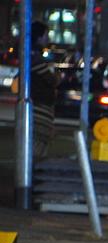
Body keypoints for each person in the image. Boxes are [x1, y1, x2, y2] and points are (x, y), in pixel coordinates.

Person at [28, 21, 58, 161]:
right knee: (38, 145)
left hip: (39, 105)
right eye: (46, 35)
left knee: (37, 143)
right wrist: (56, 77)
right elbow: (51, 79)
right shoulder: (35, 58)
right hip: (40, 107)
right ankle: (32, 175)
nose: (47, 39)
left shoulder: (32, 55)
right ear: (39, 37)